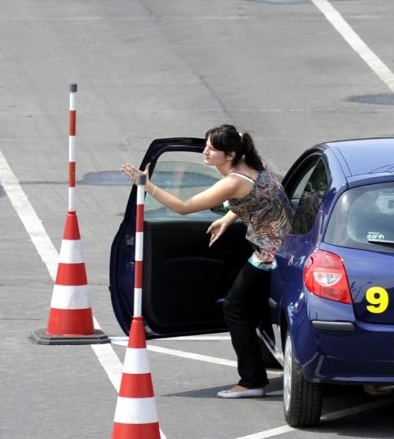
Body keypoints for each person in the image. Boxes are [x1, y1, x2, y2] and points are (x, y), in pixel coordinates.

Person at [121, 124, 292, 399]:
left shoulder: (232, 182)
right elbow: (258, 201)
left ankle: (252, 381)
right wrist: (227, 218)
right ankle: (261, 363)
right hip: (285, 248)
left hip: (269, 255)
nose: (205, 152)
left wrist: (147, 185)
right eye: (206, 145)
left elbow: (184, 207)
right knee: (249, 304)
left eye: (211, 148)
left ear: (230, 154)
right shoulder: (252, 167)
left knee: (235, 308)